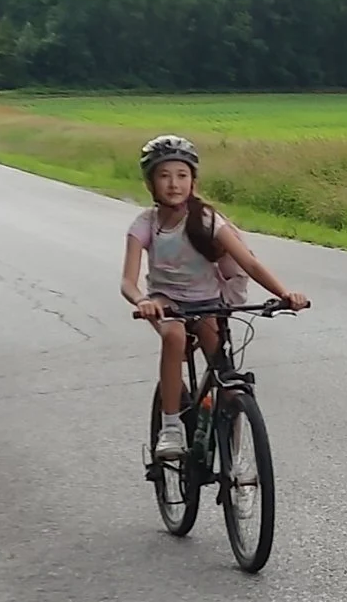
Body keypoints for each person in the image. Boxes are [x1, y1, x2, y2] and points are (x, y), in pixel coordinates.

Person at [122, 135, 308, 454]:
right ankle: (171, 427)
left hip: (209, 304)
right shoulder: (146, 225)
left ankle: (230, 451)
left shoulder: (208, 219)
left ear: (193, 180)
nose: (173, 183)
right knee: (174, 339)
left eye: (182, 175)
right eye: (164, 175)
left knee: (223, 371)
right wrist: (143, 301)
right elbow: (128, 280)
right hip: (168, 304)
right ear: (150, 183)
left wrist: (284, 294)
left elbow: (248, 261)